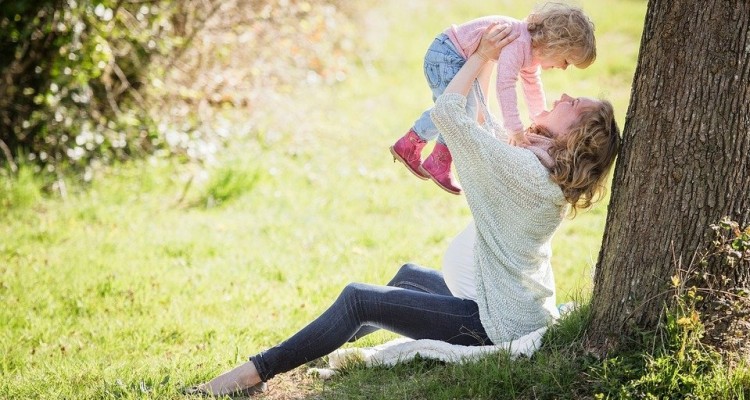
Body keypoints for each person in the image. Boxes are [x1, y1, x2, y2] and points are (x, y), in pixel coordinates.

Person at [187, 23, 619, 397]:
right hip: (503, 303)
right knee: (407, 276)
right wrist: (491, 62)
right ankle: (308, 348)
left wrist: (483, 55)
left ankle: (254, 373)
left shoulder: (524, 172)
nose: (564, 94)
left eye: (575, 105)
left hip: (492, 322)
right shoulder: (542, 170)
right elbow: (488, 127)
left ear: (575, 137)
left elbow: (450, 113)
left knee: (359, 298)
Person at [390, 2, 596, 195]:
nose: (563, 68)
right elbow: (505, 85)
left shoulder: (531, 52)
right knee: (456, 109)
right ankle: (427, 153)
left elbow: (532, 86)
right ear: (555, 44)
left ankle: (425, 152)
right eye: (566, 61)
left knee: (458, 110)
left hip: (453, 57)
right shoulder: (519, 43)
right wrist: (514, 128)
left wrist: (539, 118)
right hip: (446, 55)